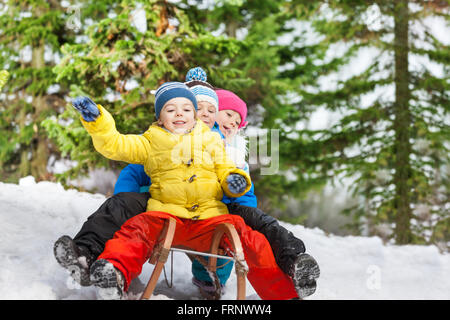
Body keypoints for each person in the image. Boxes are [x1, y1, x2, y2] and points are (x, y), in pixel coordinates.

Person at [67, 80, 305, 300]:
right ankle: (113, 273)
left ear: (195, 116)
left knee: (252, 239)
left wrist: (235, 181)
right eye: (170, 110)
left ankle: (284, 294)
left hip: (211, 220)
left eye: (186, 109)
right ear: (160, 118)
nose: (179, 113)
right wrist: (98, 123)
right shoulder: (150, 142)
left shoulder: (212, 141)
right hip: (165, 217)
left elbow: (225, 169)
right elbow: (116, 144)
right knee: (134, 231)